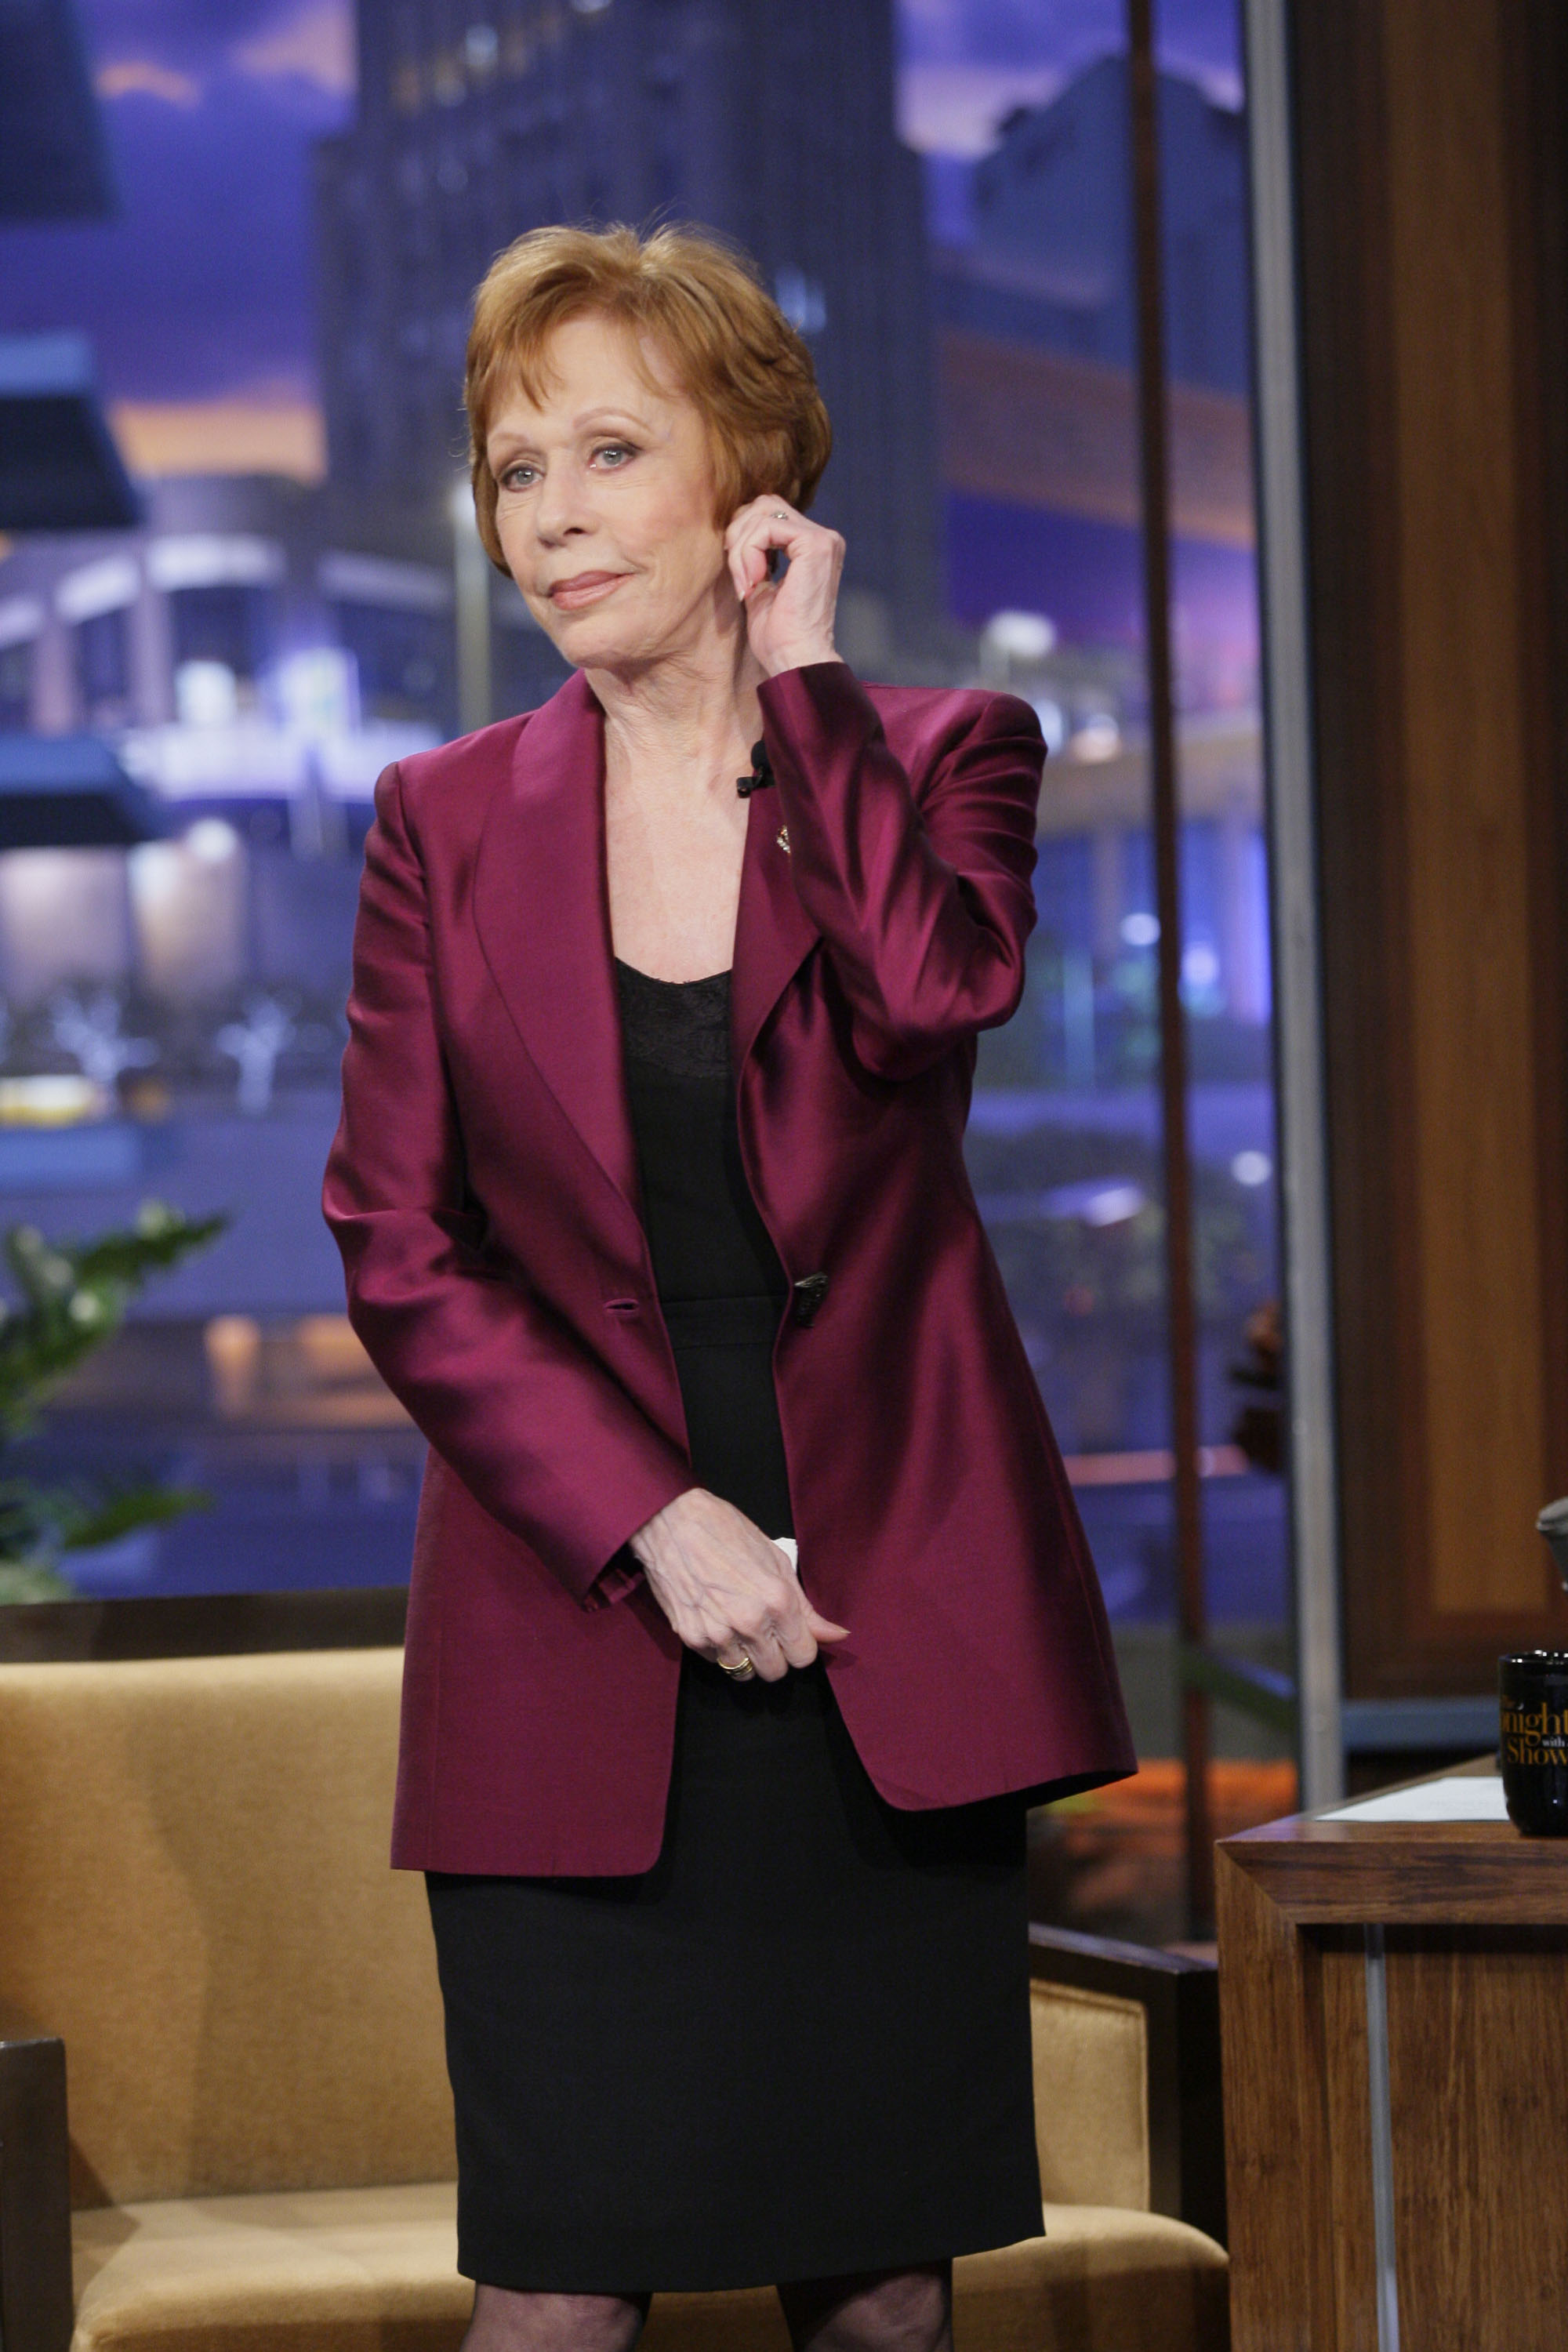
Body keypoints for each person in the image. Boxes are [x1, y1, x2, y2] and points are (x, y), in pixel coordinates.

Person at [324, 221, 1134, 2352]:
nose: (554, 515)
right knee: (558, 2303)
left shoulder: (941, 748)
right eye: (517, 469)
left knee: (880, 2300)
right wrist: (648, 1517)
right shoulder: (439, 819)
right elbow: (400, 1242)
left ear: (752, 483)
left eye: (611, 452)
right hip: (580, 1612)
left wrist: (808, 685)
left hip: (887, 1632)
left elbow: (930, 996)